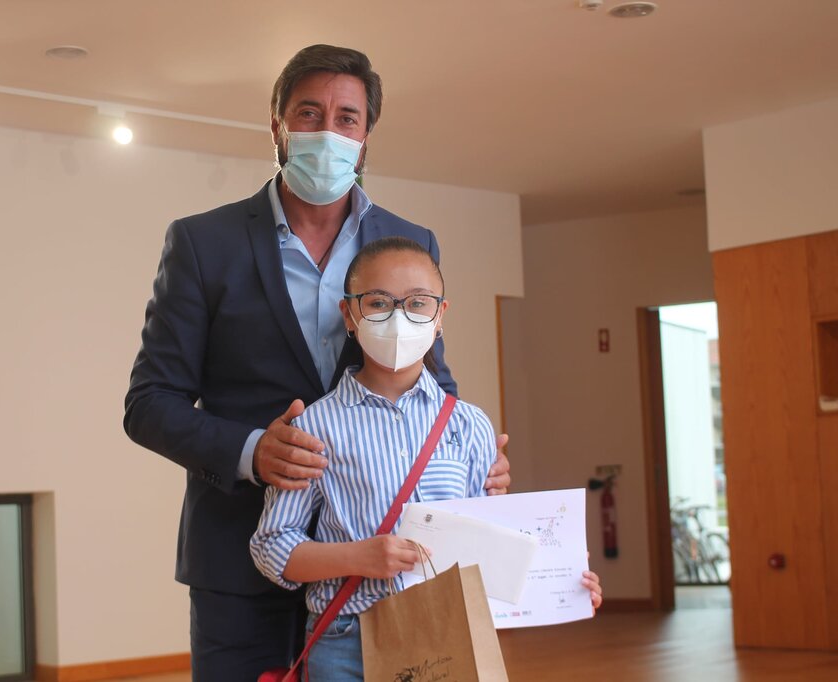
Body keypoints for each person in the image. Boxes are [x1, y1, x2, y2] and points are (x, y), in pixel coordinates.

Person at [124, 45, 510, 682]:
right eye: (309, 113)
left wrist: (474, 457)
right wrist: (253, 451)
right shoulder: (203, 243)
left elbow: (432, 385)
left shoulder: (411, 243)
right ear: (277, 125)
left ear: (365, 136)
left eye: (347, 117)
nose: (328, 130)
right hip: (240, 558)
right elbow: (149, 403)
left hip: (381, 580)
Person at [250, 237, 603, 681]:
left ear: (440, 317)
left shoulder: (469, 425)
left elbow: (488, 553)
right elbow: (271, 547)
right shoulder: (314, 427)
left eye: (418, 303)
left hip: (449, 636)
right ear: (350, 315)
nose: (399, 317)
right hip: (347, 641)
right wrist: (358, 558)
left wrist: (565, 584)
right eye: (378, 302)